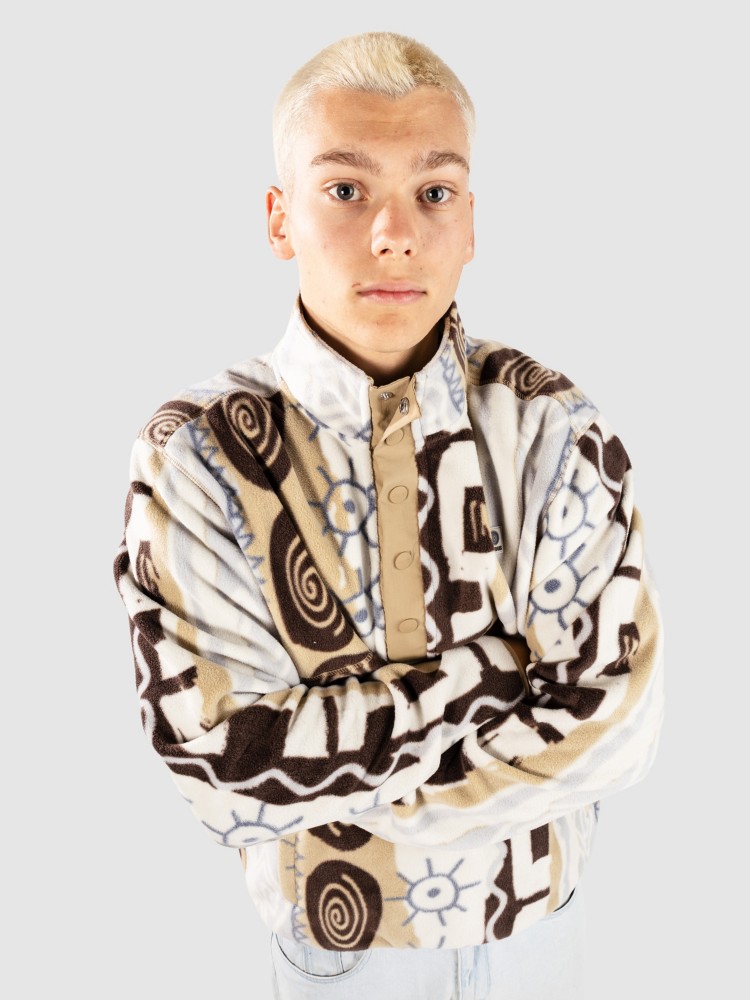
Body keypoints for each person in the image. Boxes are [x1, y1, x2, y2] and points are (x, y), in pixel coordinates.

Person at [113, 31, 665, 1000]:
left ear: (472, 221)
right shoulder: (198, 452)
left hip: (540, 931)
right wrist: (497, 673)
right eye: (345, 188)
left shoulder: (550, 424)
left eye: (434, 191)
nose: (394, 233)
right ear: (279, 218)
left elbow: (617, 726)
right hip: (337, 955)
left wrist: (343, 775)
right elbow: (225, 767)